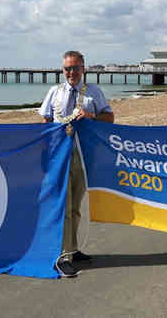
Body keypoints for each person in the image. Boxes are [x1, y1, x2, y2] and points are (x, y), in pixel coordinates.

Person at [39, 50, 114, 277]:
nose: (71, 72)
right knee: (64, 206)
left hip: (83, 155)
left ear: (83, 68)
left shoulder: (93, 93)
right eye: (67, 68)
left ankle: (72, 248)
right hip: (60, 157)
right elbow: (45, 120)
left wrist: (90, 116)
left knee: (75, 207)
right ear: (63, 70)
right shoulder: (55, 92)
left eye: (75, 68)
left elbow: (109, 118)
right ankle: (61, 256)